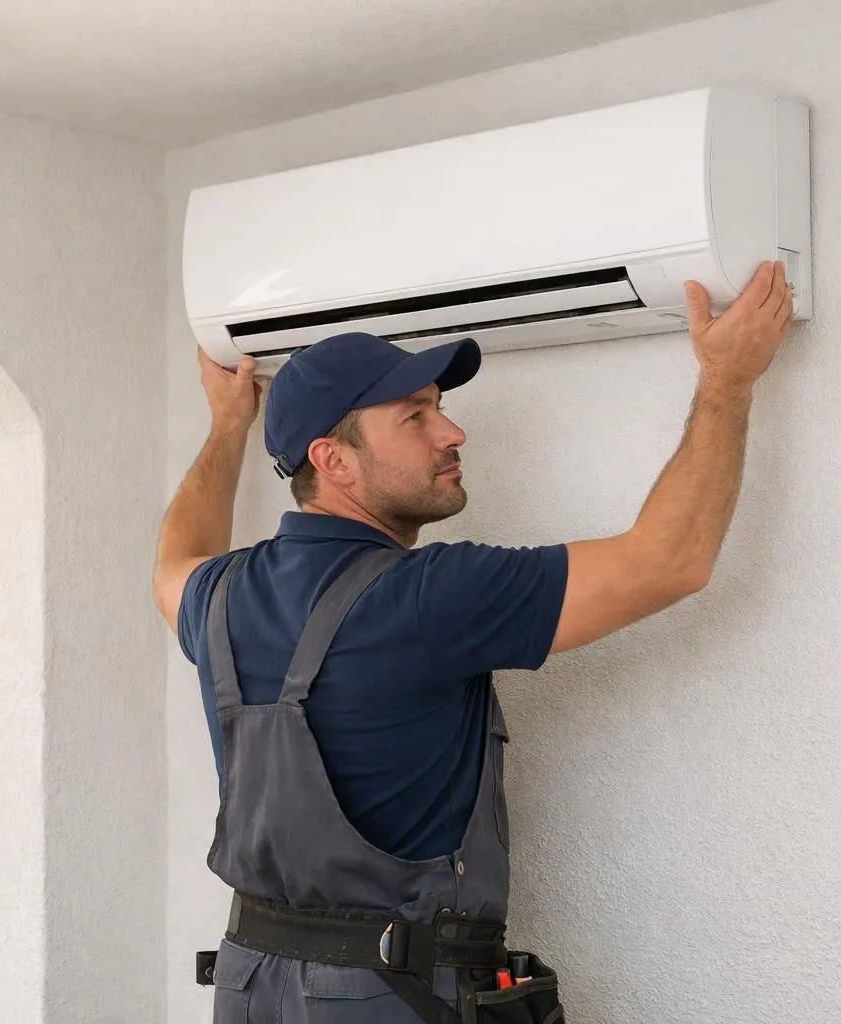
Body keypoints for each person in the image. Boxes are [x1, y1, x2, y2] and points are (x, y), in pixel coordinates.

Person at [153, 262, 795, 1023]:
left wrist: (229, 426)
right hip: (392, 998)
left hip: (248, 989)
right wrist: (729, 380)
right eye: (415, 416)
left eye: (440, 407)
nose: (452, 431)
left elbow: (172, 556)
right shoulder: (430, 595)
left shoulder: (216, 596)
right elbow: (670, 560)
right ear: (333, 460)